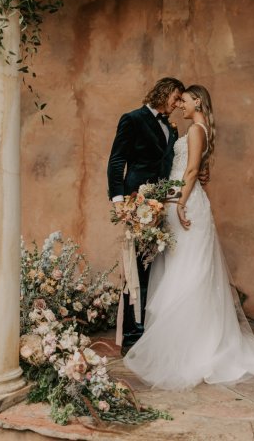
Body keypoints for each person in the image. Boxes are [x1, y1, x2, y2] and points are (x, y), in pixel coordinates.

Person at [124, 85, 254, 389]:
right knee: (186, 271)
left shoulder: (196, 130)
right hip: (182, 201)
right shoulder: (197, 129)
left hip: (187, 206)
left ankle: (194, 350)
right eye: (179, 100)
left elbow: (191, 170)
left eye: (186, 100)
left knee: (189, 274)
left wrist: (178, 203)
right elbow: (189, 169)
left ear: (198, 102)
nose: (181, 104)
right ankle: (185, 344)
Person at [107, 77, 185, 354]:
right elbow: (117, 159)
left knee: (156, 263)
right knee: (135, 265)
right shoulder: (132, 119)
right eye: (176, 98)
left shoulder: (170, 127)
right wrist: (118, 200)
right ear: (164, 92)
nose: (178, 104)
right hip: (136, 201)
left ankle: (151, 326)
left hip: (163, 202)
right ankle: (131, 333)